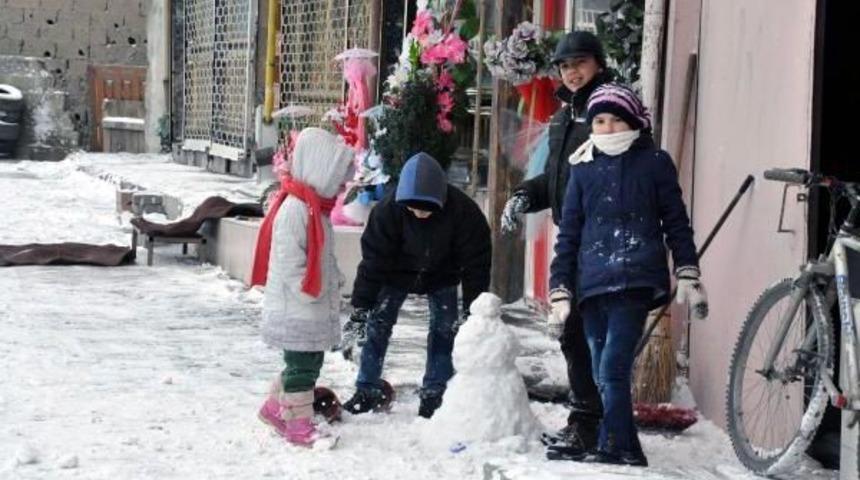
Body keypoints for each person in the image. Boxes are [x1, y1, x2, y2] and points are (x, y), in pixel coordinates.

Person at [549, 83, 709, 466]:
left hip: (635, 280)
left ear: (634, 121)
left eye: (615, 119)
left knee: (612, 368)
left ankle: (623, 448)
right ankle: (612, 440)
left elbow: (676, 222)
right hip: (591, 286)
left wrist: (688, 271)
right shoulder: (582, 168)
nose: (606, 128)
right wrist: (559, 291)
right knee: (603, 370)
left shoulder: (654, 162)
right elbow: (568, 234)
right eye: (599, 120)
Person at [499, 30, 613, 458]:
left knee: (595, 333)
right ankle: (586, 420)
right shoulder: (564, 117)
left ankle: (600, 424)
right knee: (572, 331)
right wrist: (526, 195)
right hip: (572, 239)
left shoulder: (611, 110)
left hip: (604, 239)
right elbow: (559, 179)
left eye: (580, 63)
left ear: (597, 64)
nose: (572, 72)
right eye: (565, 66)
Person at [341, 152, 491, 419]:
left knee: (445, 331)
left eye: (427, 208)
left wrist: (473, 310)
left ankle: (436, 392)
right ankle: (367, 388)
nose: (420, 214)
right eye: (413, 208)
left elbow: (476, 265)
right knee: (378, 324)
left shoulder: (464, 213)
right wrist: (361, 308)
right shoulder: (387, 211)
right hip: (394, 273)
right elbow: (373, 262)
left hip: (443, 274)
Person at [253, 127, 354, 446]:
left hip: (311, 303)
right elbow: (288, 260)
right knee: (301, 369)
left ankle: (274, 408)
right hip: (297, 305)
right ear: (318, 169)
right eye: (336, 175)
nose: (341, 184)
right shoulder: (295, 210)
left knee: (306, 364)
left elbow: (322, 256)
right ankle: (297, 426)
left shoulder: (316, 210)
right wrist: (309, 289)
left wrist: (333, 277)